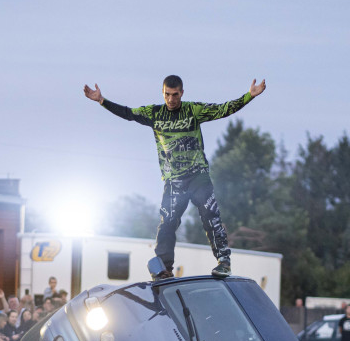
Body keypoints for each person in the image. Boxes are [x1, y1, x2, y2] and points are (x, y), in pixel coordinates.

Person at [84, 75, 267, 279]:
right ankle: (164, 269)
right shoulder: (154, 113)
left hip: (198, 177)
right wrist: (102, 101)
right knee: (167, 224)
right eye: (167, 95)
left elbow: (222, 109)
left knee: (211, 217)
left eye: (175, 95)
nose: (171, 99)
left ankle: (223, 262)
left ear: (182, 92)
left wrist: (248, 96)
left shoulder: (193, 111)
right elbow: (128, 113)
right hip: (174, 182)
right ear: (163, 93)